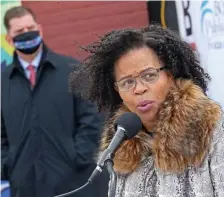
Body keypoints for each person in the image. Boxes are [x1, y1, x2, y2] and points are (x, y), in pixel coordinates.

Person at [69, 24, 224, 196]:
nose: (139, 89)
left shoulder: (211, 129)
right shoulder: (120, 150)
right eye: (127, 82)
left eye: (149, 75)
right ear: (117, 91)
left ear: (170, 75)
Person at [1, 6, 105, 197]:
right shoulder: (3, 82)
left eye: (30, 28)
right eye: (19, 32)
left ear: (40, 29)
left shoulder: (72, 70)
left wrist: (77, 157)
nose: (27, 34)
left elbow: (92, 119)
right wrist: (9, 166)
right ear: (9, 39)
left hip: (74, 184)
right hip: (25, 187)